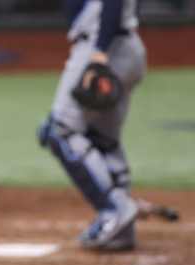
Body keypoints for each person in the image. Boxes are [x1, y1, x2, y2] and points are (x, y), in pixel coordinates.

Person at [38, 0, 146, 251]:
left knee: (59, 130)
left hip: (101, 47)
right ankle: (122, 227)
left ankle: (115, 209)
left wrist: (99, 53)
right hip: (124, 46)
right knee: (102, 138)